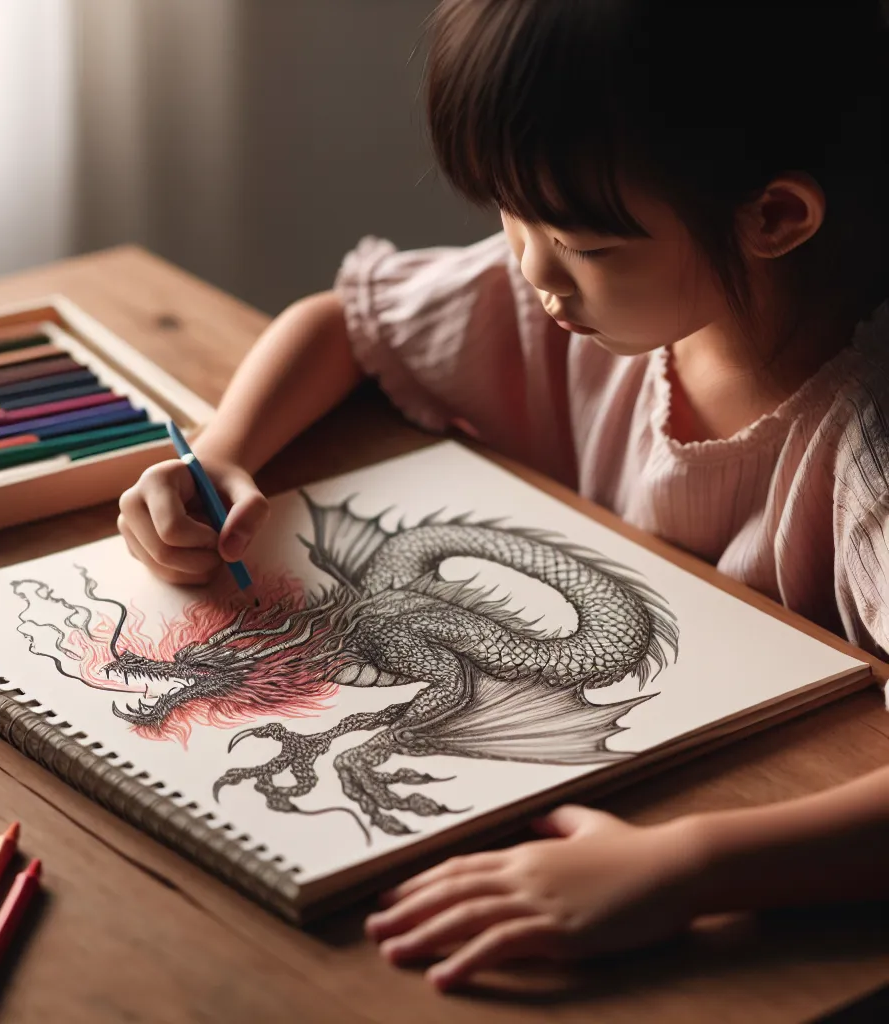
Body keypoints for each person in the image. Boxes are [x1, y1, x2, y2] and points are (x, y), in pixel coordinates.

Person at [118, 0, 889, 992]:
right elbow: (346, 325)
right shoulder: (611, 295)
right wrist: (224, 454)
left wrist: (684, 867)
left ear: (773, 216)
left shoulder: (864, 449)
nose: (531, 272)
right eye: (508, 213)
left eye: (583, 245)